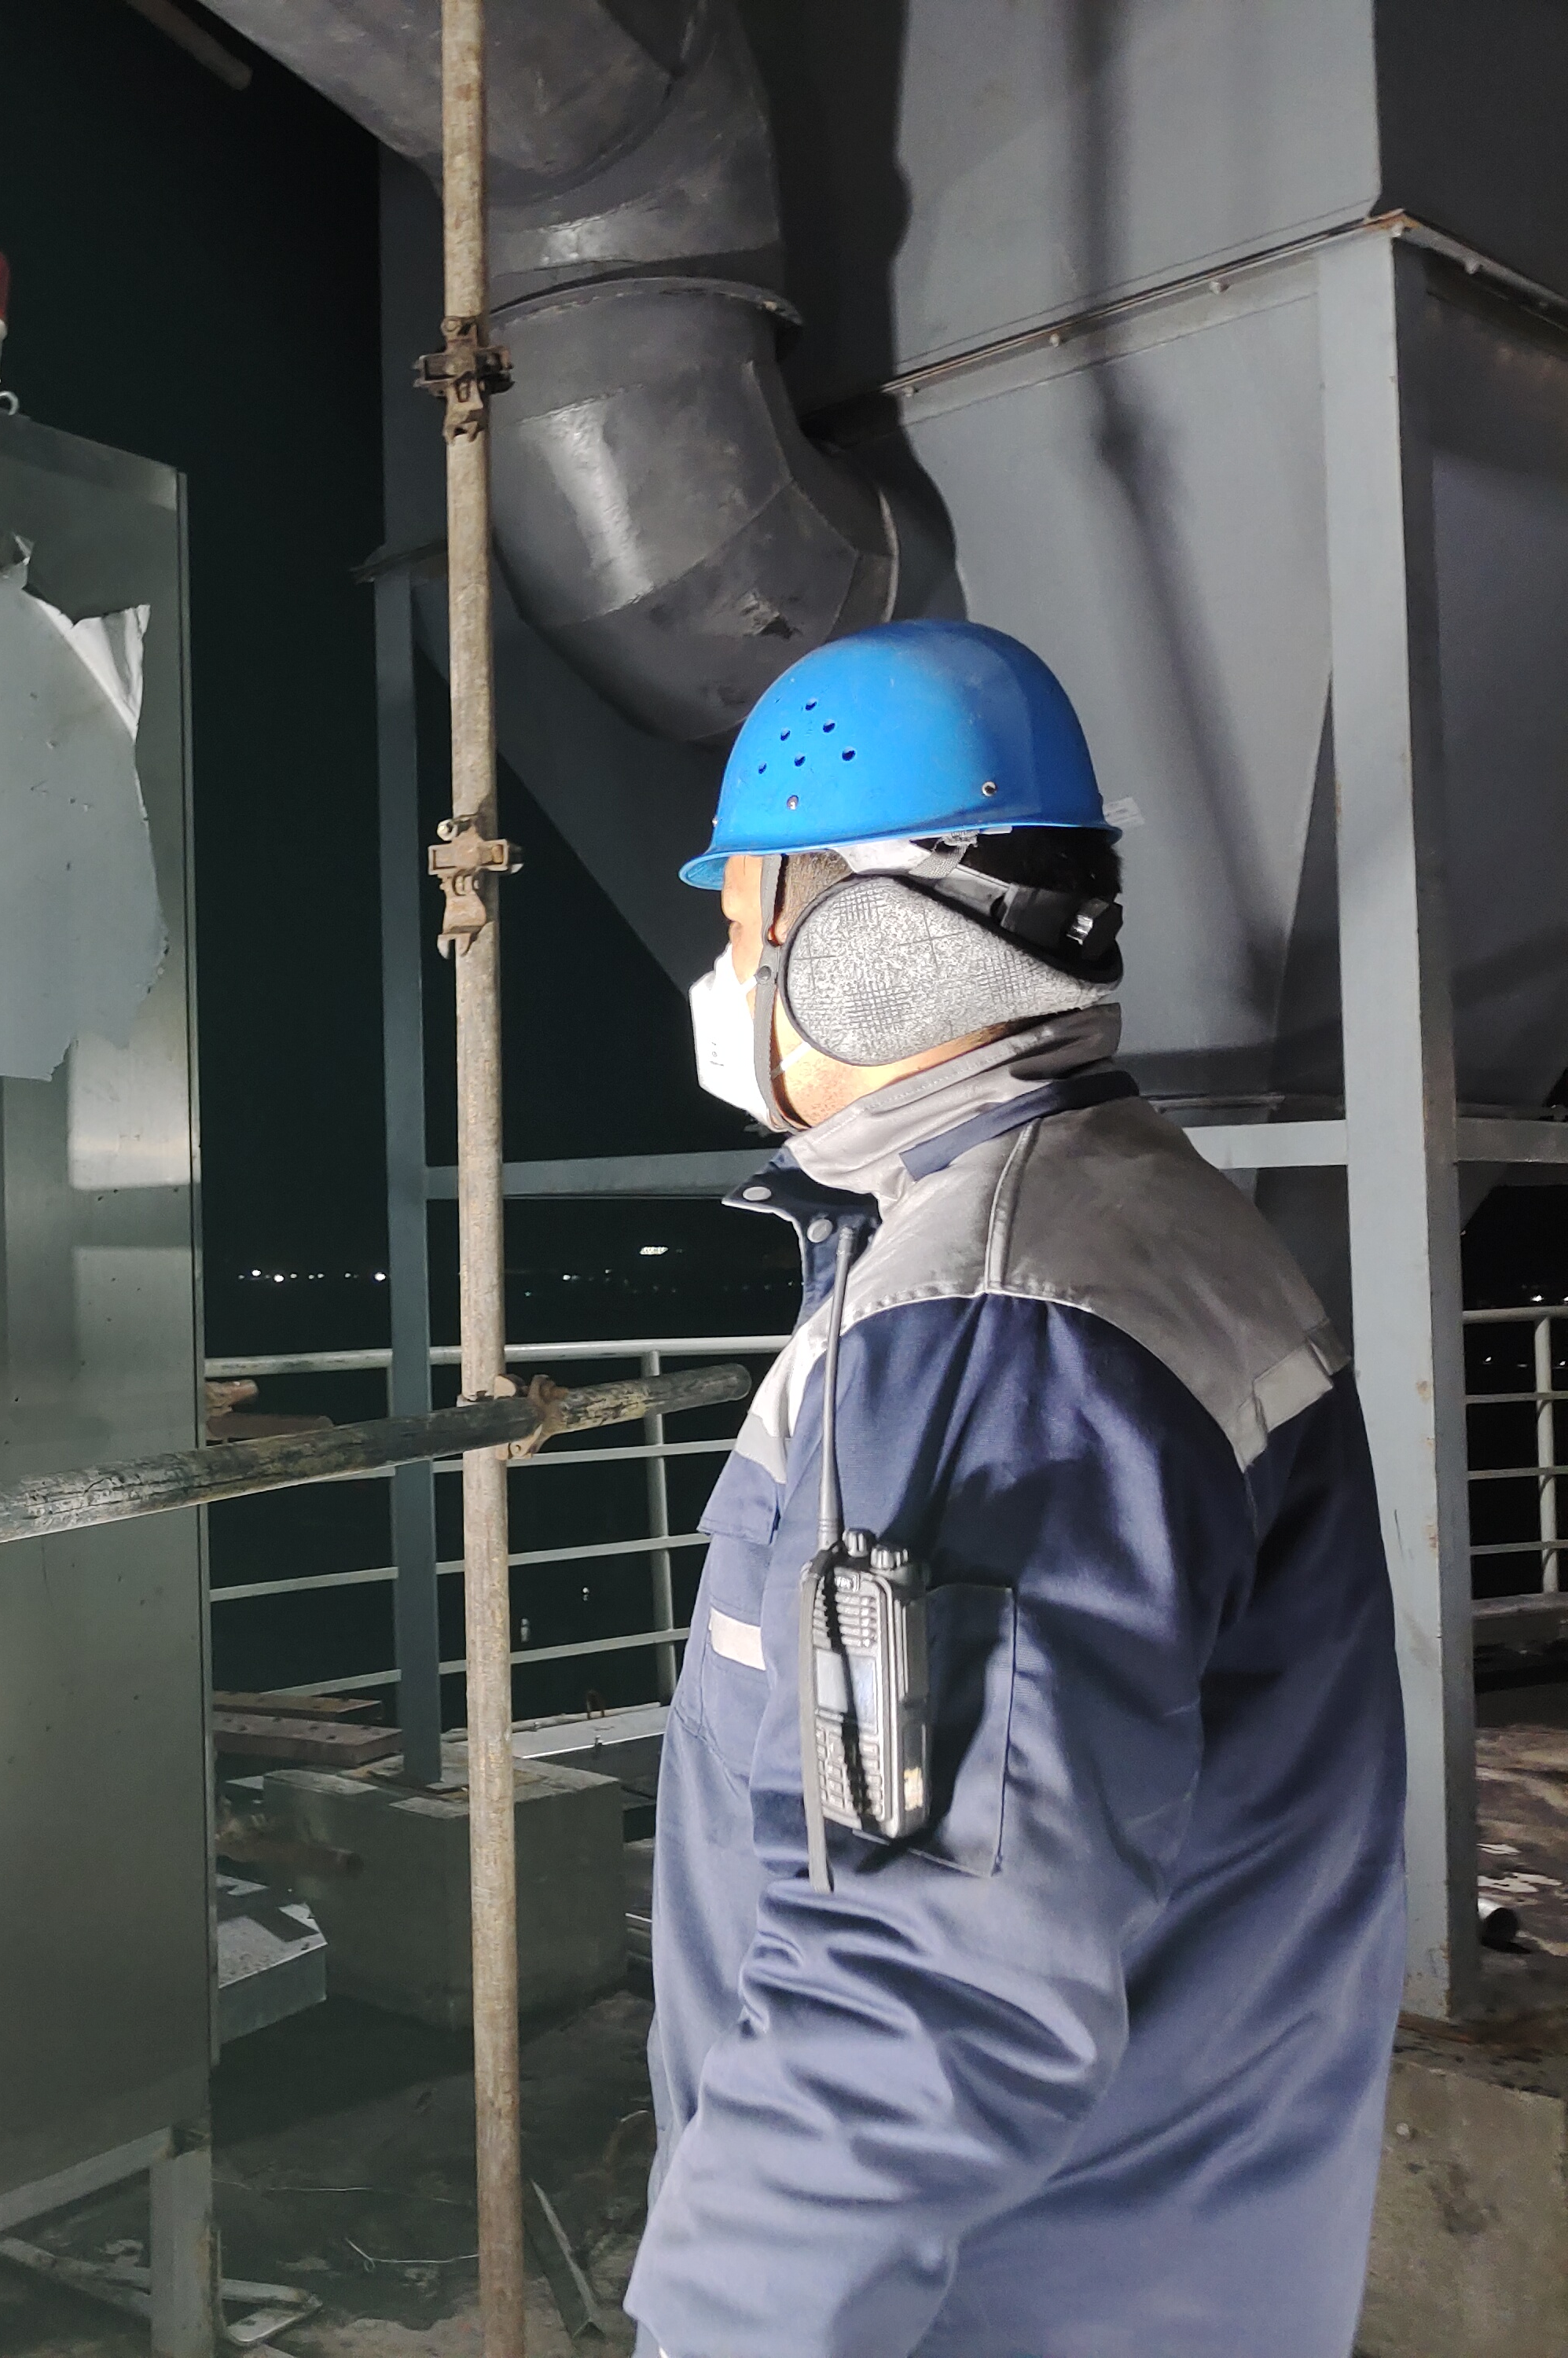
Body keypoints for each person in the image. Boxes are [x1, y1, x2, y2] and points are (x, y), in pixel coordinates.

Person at [622, 620, 1405, 2358]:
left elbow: (918, 1977)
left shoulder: (992, 1332)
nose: (724, 972)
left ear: (862, 949)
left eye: (741, 920)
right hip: (1177, 2255)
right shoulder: (1127, 1217)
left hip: (1006, 2300)